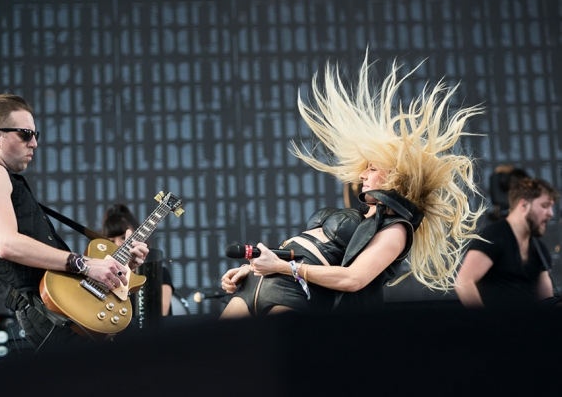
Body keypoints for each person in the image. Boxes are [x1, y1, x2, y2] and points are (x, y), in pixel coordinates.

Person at [220, 53, 487, 317]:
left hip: (293, 291)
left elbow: (353, 279)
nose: (362, 175)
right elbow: (298, 251)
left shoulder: (396, 229)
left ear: (396, 176)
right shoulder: (364, 217)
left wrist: (283, 268)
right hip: (259, 283)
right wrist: (255, 267)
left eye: (372, 168)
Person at [0, 94, 149, 352]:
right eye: (25, 134)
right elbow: (6, 244)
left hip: (60, 304)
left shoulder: (7, 180)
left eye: (35, 134)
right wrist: (85, 264)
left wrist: (113, 265)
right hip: (47, 310)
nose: (34, 143)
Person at [455, 176, 559, 308]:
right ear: (524, 205)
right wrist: (485, 322)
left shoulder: (539, 249)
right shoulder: (494, 236)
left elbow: (547, 300)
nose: (551, 213)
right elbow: (464, 282)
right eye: (545, 206)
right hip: (498, 326)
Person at [101, 203, 174, 316]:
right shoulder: (103, 277)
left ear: (138, 234)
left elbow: (161, 314)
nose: (118, 244)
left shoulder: (160, 273)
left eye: (123, 237)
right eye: (111, 241)